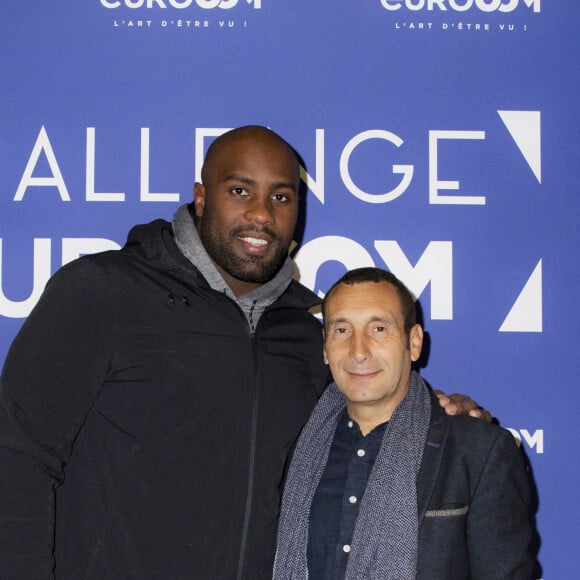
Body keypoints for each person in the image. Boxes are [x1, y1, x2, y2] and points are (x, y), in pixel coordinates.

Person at [0, 127, 487, 580]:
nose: (261, 214)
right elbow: (18, 453)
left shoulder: (306, 331)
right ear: (201, 197)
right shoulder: (103, 291)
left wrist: (437, 410)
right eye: (240, 191)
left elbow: (364, 411)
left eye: (280, 196)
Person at [273, 267, 535, 579]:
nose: (359, 351)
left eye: (379, 329)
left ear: (414, 342)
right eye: (342, 330)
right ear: (326, 348)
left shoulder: (479, 452)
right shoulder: (293, 446)